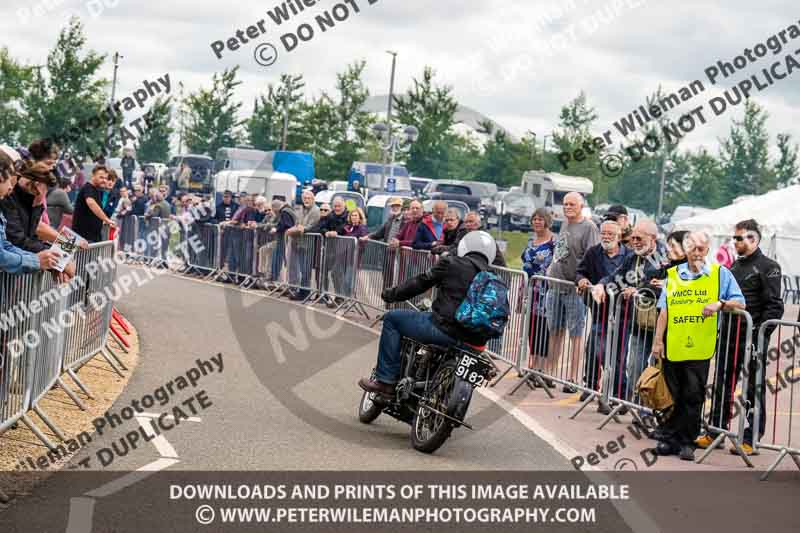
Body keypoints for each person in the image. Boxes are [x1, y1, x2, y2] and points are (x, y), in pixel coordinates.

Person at [358, 231, 499, 395]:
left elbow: (420, 282)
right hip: (477, 343)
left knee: (392, 319)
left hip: (444, 329)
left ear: (464, 246)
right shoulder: (495, 278)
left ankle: (385, 381)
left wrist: (392, 294)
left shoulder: (451, 262)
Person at [651, 231, 745, 461]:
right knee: (670, 395)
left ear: (707, 250)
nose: (696, 253)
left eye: (700, 249)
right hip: (674, 344)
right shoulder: (673, 275)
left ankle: (687, 442)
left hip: (699, 347)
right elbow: (665, 310)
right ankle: (669, 439)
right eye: (691, 248)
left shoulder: (719, 274)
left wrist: (719, 304)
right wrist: (657, 341)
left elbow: (741, 303)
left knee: (692, 395)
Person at [703, 219, 784, 455]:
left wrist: (759, 335)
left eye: (739, 238)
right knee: (722, 384)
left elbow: (774, 307)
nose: (735, 242)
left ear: (754, 239)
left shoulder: (770, 266)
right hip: (729, 336)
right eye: (734, 238)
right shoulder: (733, 267)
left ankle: (751, 438)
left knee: (752, 388)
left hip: (753, 339)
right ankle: (715, 431)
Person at [592, 219, 669, 404]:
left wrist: (640, 290)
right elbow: (616, 276)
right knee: (634, 366)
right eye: (633, 237)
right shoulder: (632, 257)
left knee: (658, 371)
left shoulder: (666, 257)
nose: (634, 241)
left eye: (639, 237)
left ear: (653, 238)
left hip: (663, 326)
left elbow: (667, 287)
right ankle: (637, 407)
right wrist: (602, 285)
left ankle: (653, 410)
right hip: (639, 324)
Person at [546, 192, 600, 393]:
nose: (567, 207)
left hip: (574, 290)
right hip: (555, 285)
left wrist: (583, 281)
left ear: (581, 206)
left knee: (576, 335)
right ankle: (549, 373)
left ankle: (572, 378)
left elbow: (592, 257)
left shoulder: (589, 227)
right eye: (565, 204)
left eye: (572, 204)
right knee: (555, 331)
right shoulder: (564, 224)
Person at [576, 220, 631, 409]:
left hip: (623, 315)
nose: (606, 237)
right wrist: (582, 280)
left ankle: (619, 396)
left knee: (618, 357)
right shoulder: (593, 252)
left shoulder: (629, 256)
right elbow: (580, 271)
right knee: (593, 351)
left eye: (610, 234)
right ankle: (590, 387)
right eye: (603, 233)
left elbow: (631, 278)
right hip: (600, 311)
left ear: (620, 235)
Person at [0, 155, 60, 274]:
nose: (11, 186)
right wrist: (41, 260)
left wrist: (51, 258)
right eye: (9, 179)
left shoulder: (35, 202)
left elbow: (6, 245)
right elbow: (16, 241)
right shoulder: (9, 200)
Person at [522, 208, 557, 382]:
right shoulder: (530, 241)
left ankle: (542, 369)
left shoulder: (554, 241)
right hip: (530, 290)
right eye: (534, 219)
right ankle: (532, 366)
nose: (537, 222)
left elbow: (557, 264)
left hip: (547, 292)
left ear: (547, 221)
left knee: (544, 330)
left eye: (540, 219)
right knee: (532, 329)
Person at [72, 165, 115, 243]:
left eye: (106, 178)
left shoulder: (96, 190)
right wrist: (106, 219)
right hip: (83, 238)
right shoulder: (88, 188)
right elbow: (91, 203)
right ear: (93, 176)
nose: (104, 180)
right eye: (101, 177)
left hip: (92, 238)